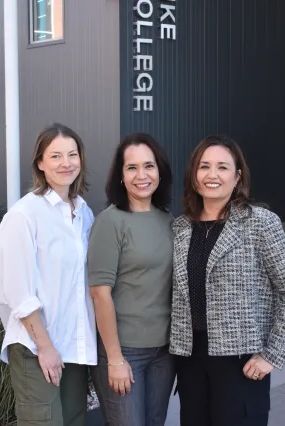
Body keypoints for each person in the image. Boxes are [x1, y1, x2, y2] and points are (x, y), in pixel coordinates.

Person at [170, 135, 285, 426]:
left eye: (222, 167)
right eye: (204, 166)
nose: (212, 174)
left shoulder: (259, 222)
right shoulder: (180, 227)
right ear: (194, 175)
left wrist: (271, 355)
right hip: (191, 361)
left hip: (242, 363)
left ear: (237, 176)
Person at [0, 123, 96, 426]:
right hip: (36, 346)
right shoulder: (24, 215)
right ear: (40, 162)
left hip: (74, 345)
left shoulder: (84, 213)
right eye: (55, 156)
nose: (66, 163)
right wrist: (46, 347)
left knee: (75, 421)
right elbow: (18, 291)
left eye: (72, 155)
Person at [88, 133, 176, 426]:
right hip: (124, 351)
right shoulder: (110, 222)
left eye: (149, 166)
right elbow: (100, 294)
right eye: (132, 167)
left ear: (159, 171)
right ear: (121, 176)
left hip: (164, 351)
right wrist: (114, 358)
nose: (142, 175)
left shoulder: (167, 220)